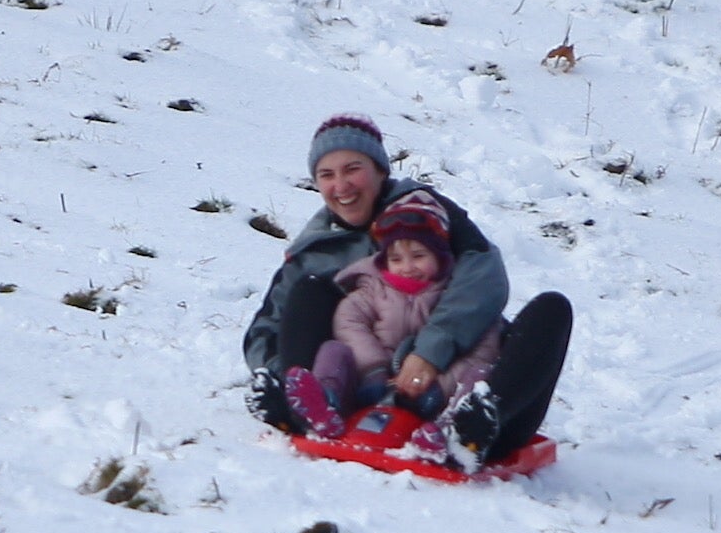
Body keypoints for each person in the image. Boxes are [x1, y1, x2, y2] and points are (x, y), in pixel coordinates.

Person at [242, 113, 572, 469]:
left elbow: (484, 274)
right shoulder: (315, 250)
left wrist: (430, 353)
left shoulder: (425, 213)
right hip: (356, 401)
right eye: (327, 175)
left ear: (381, 170)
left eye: (352, 169)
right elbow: (263, 333)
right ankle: (306, 401)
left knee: (552, 309)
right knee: (310, 292)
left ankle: (471, 426)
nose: (341, 186)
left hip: (460, 393)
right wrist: (280, 374)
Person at [284, 190, 503, 450]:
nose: (407, 267)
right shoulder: (373, 288)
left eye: (419, 256)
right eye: (396, 259)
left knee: (479, 374)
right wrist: (373, 368)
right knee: (334, 350)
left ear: (441, 255)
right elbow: (349, 322)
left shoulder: (455, 295)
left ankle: (449, 432)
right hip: (370, 386)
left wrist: (436, 386)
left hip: (433, 398)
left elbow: (484, 348)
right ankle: (325, 406)